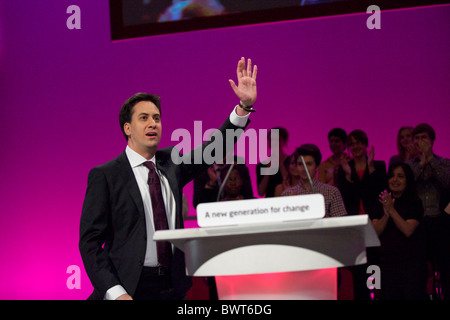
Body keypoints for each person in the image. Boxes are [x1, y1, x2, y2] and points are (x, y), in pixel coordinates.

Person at [79, 57, 258, 300]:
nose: (153, 123)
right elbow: (90, 244)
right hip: (128, 288)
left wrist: (243, 108)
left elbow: (213, 149)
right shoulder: (106, 175)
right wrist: (115, 292)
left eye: (156, 118)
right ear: (127, 128)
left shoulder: (171, 162)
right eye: (144, 118)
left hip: (171, 288)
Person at [336, 129, 386, 300]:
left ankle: (377, 296)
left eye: (358, 143)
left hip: (375, 223)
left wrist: (370, 168)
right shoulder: (344, 169)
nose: (355, 147)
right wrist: (349, 176)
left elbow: (377, 192)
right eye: (352, 144)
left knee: (375, 266)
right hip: (354, 226)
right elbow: (345, 197)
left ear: (365, 144)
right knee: (358, 270)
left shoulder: (378, 165)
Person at [370, 162, 427, 300]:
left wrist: (391, 209)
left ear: (407, 180)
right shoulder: (380, 202)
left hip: (411, 265)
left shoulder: (414, 202)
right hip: (386, 264)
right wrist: (386, 213)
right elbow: (375, 233)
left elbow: (407, 230)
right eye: (392, 176)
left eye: (400, 176)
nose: (395, 180)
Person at [407, 123, 450, 300]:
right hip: (418, 223)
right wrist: (421, 164)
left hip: (440, 221)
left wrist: (430, 160)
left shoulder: (444, 162)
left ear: (432, 140)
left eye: (423, 137)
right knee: (419, 270)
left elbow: (446, 181)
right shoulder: (409, 165)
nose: (419, 141)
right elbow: (407, 186)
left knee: (446, 267)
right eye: (416, 138)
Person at [281, 144, 347, 218]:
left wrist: (322, 214)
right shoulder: (287, 194)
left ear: (317, 166)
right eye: (300, 164)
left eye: (309, 164)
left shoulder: (332, 192)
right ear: (296, 167)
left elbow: (340, 225)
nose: (304, 168)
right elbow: (283, 226)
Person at [256, 127, 289, 198]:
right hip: (270, 203)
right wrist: (268, 170)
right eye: (271, 140)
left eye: (277, 140)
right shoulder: (262, 165)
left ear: (284, 141)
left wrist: (280, 163)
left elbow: (291, 183)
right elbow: (261, 192)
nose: (274, 143)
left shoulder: (292, 162)